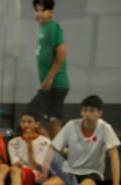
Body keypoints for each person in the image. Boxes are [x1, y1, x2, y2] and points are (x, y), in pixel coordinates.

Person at [0, 109, 53, 185]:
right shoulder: (13, 142)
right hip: (16, 173)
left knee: (15, 170)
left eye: (29, 122)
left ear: (37, 124)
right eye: (23, 122)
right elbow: (15, 163)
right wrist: (19, 165)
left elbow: (36, 166)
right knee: (3, 167)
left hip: (34, 176)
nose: (26, 125)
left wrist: (29, 144)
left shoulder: (45, 142)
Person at [28, 0, 70, 139]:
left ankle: (56, 148)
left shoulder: (53, 28)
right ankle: (50, 145)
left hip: (56, 84)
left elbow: (62, 51)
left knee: (50, 119)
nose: (38, 13)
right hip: (49, 84)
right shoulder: (44, 29)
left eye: (42, 10)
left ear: (51, 12)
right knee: (46, 119)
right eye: (36, 10)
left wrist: (50, 78)